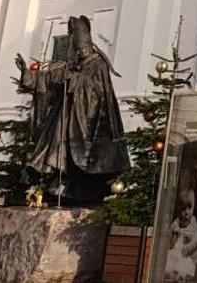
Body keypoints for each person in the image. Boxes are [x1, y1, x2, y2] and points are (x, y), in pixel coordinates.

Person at [16, 15, 129, 205]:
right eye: (77, 49)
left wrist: (75, 80)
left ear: (89, 45)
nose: (80, 52)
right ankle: (60, 186)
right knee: (57, 143)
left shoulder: (98, 64)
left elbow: (97, 89)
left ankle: (87, 189)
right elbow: (48, 79)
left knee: (81, 153)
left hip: (89, 121)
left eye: (83, 48)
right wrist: (26, 73)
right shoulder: (72, 65)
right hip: (66, 118)